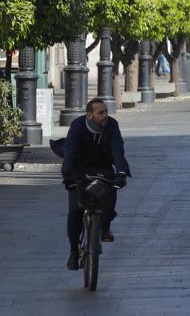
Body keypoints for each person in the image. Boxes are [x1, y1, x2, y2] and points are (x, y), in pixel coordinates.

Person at [60, 98, 131, 270]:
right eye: (101, 113)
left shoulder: (112, 125)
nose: (105, 115)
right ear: (89, 115)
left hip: (102, 167)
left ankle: (105, 225)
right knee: (75, 211)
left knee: (110, 192)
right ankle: (74, 251)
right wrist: (67, 175)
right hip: (79, 168)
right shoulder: (77, 125)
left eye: (106, 112)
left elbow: (117, 149)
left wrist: (121, 172)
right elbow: (69, 151)